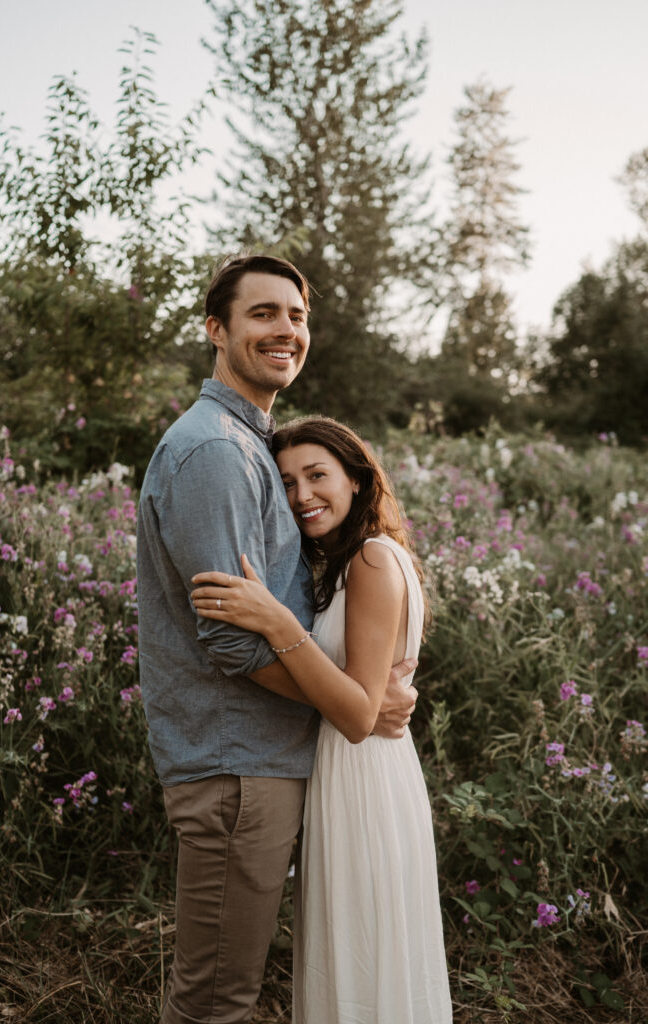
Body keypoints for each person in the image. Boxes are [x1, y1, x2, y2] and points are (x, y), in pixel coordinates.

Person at [136, 254, 418, 1024]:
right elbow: (233, 643)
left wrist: (357, 691)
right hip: (236, 770)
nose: (284, 329)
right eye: (262, 314)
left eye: (295, 316)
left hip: (260, 765)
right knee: (216, 1003)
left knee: (227, 991)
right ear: (215, 330)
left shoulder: (253, 446)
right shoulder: (219, 454)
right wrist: (352, 705)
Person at [192, 416, 453, 1023]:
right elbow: (361, 689)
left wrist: (277, 624)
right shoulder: (350, 565)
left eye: (317, 476)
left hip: (366, 780)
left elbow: (360, 715)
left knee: (364, 952)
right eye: (285, 483)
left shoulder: (370, 559)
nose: (301, 496)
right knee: (355, 949)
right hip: (350, 774)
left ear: (357, 480)